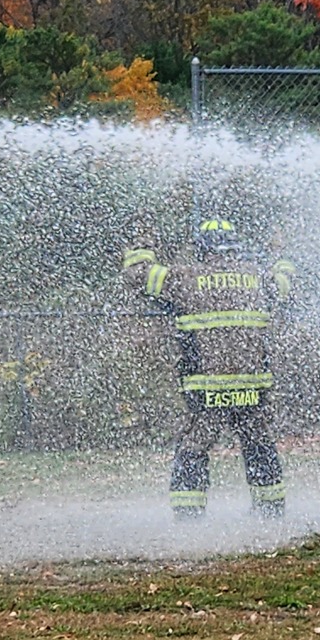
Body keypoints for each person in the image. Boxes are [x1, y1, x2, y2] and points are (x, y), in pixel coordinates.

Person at [123, 217, 295, 519]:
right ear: (235, 248)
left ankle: (189, 516)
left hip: (206, 389)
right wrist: (280, 251)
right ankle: (270, 511)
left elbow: (137, 275)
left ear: (202, 251)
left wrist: (144, 240)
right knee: (257, 441)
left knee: (194, 445)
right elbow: (286, 284)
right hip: (252, 386)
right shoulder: (258, 277)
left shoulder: (185, 278)